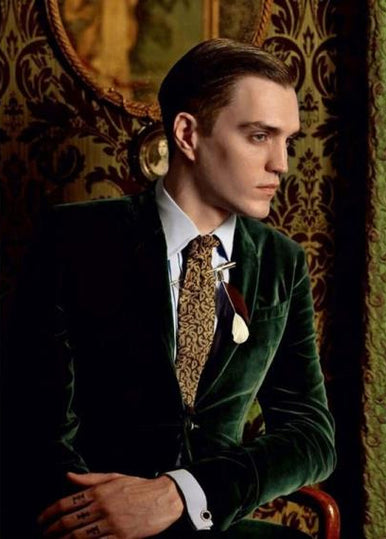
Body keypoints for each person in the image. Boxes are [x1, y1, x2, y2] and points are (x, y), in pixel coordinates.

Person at [2, 39, 335, 538]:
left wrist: (184, 493)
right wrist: (98, 517)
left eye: (287, 140)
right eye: (259, 136)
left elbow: (311, 435)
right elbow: (34, 424)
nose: (281, 163)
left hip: (212, 522)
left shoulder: (281, 262)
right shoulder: (73, 239)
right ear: (187, 134)